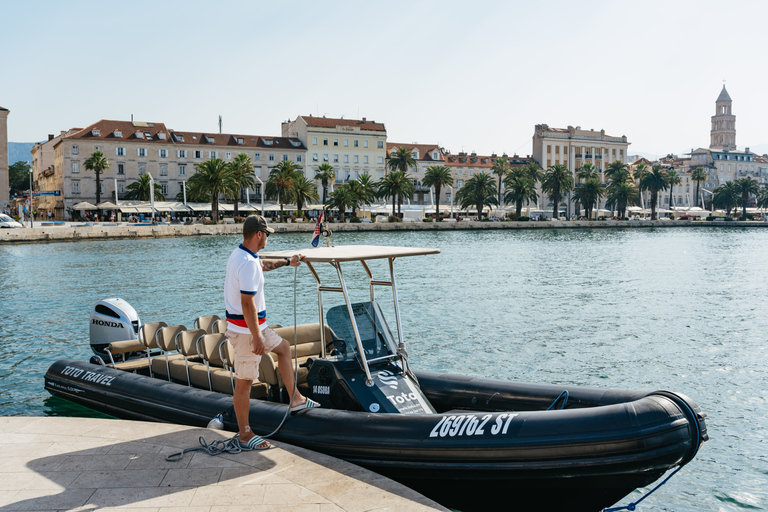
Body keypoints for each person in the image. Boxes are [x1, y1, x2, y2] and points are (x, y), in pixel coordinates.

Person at [224, 215, 319, 450]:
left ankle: (295, 399)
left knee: (284, 349)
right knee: (245, 382)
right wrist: (256, 338)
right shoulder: (246, 262)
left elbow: (262, 265)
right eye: (267, 234)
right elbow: (248, 303)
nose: (267, 238)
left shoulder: (243, 256)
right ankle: (244, 434)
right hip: (247, 331)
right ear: (259, 234)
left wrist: (288, 261)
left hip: (256, 327)